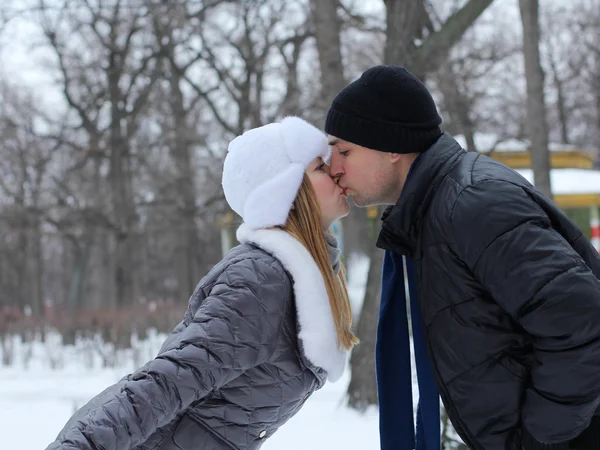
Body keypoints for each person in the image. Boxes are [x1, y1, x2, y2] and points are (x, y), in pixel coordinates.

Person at [325, 65, 600, 450]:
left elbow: (582, 320)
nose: (334, 168)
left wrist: (539, 438)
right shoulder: (435, 212)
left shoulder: (472, 204)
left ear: (391, 146)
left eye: (344, 150)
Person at [46, 116, 358, 450]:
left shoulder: (297, 277)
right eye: (321, 169)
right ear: (290, 192)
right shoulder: (260, 280)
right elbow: (168, 381)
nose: (337, 172)